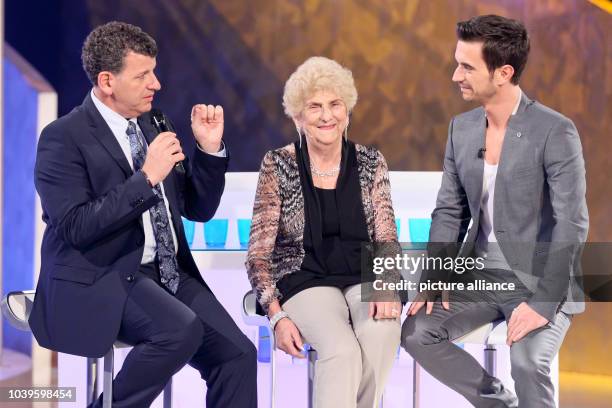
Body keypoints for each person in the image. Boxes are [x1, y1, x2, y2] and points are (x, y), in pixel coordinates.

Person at [29, 21, 257, 407]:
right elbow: (75, 227)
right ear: (107, 81)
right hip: (103, 273)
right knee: (179, 330)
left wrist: (210, 152)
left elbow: (197, 210)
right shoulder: (62, 137)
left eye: (154, 71)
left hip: (167, 271)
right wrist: (147, 177)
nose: (156, 84)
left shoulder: (154, 124)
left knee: (238, 355)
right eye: (143, 75)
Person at [401, 15, 588, 408]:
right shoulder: (461, 128)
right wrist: (435, 276)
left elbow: (572, 223)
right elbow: (450, 211)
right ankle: (500, 404)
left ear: (503, 73)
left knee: (527, 362)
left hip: (540, 277)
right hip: (480, 276)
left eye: (467, 66)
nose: (456, 75)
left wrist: (542, 304)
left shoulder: (555, 130)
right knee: (417, 334)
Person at [246, 56, 401, 408]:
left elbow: (387, 239)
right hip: (304, 278)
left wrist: (388, 285)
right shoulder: (278, 164)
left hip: (362, 275)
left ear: (347, 110)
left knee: (383, 332)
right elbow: (257, 254)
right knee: (341, 351)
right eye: (314, 107)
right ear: (298, 116)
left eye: (335, 105)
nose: (326, 115)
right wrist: (277, 315)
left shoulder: (371, 162)